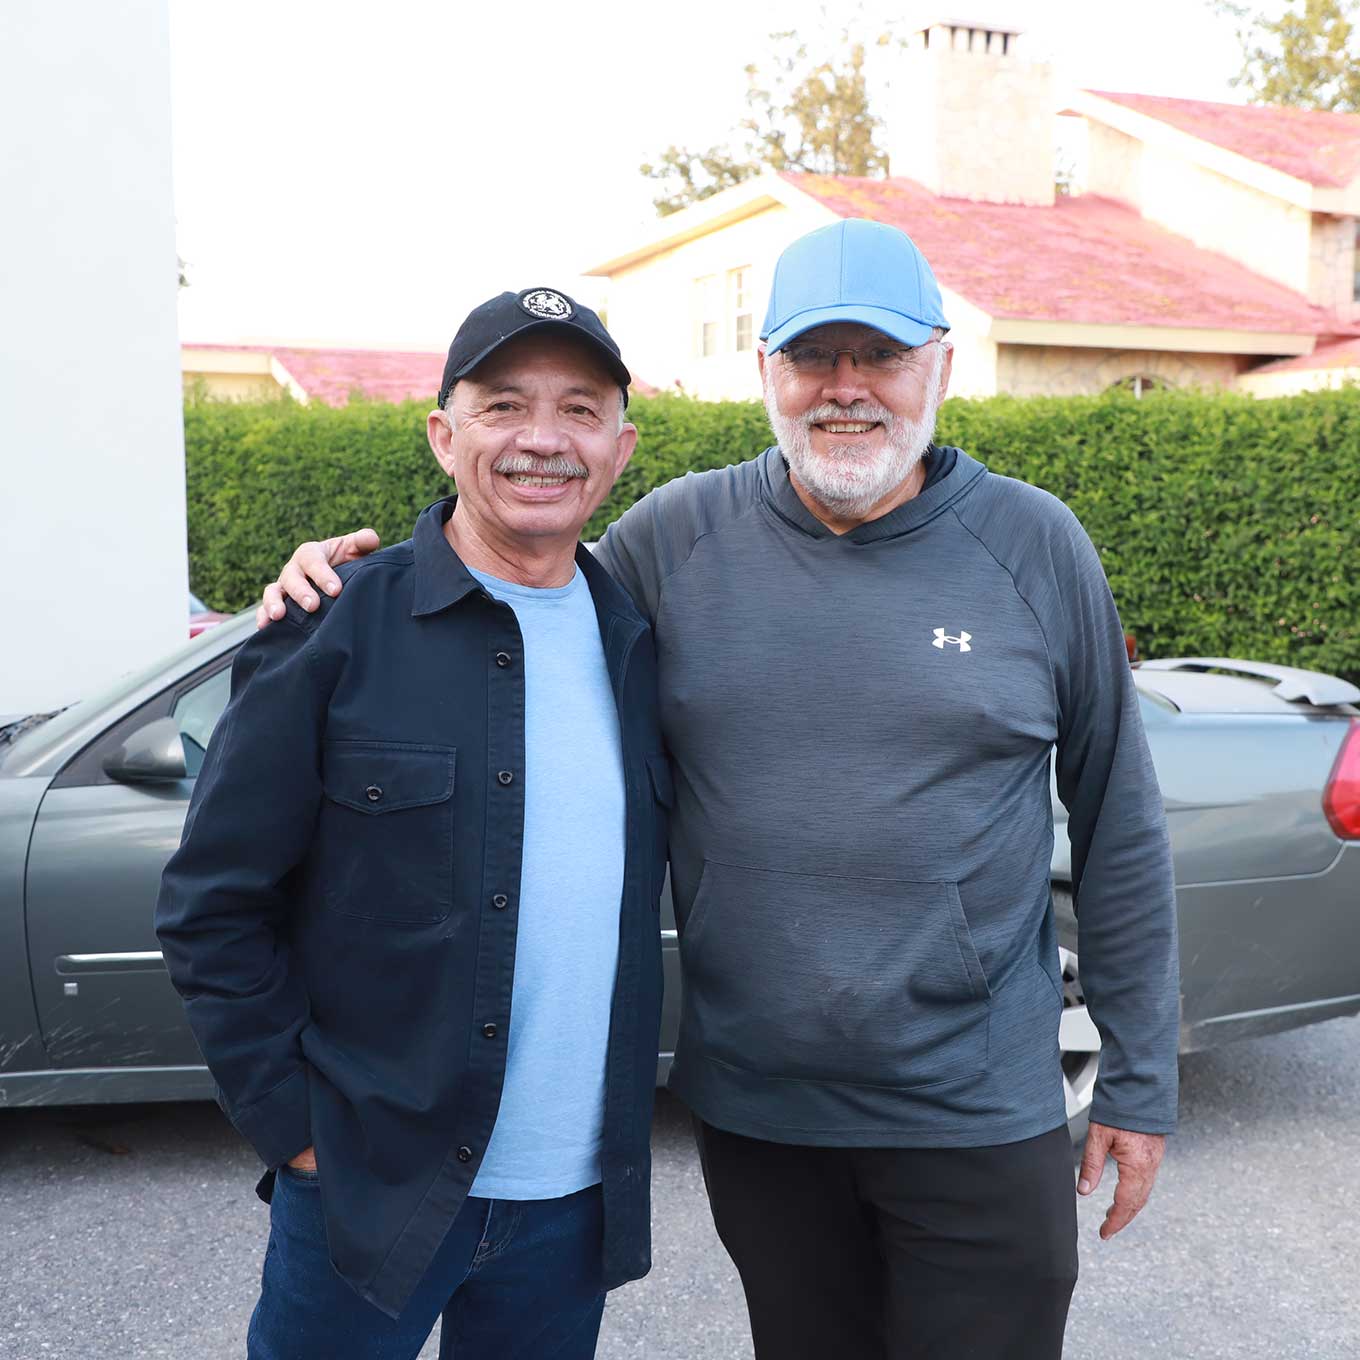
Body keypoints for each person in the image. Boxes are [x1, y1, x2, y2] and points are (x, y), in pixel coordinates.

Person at [259, 221, 1179, 1360]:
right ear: (765, 374)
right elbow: (512, 590)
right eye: (813, 357)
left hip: (975, 1107)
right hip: (762, 1113)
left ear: (939, 367)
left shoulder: (1035, 545)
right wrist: (346, 584)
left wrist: (1139, 1079)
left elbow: (1119, 823)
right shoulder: (675, 537)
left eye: (881, 356)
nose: (846, 388)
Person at [157, 287, 670, 1360]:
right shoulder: (334, 625)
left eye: (579, 410)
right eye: (502, 405)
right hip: (368, 1187)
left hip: (573, 1201)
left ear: (619, 450)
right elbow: (213, 905)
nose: (542, 439)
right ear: (443, 436)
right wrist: (296, 1133)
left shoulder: (642, 643)